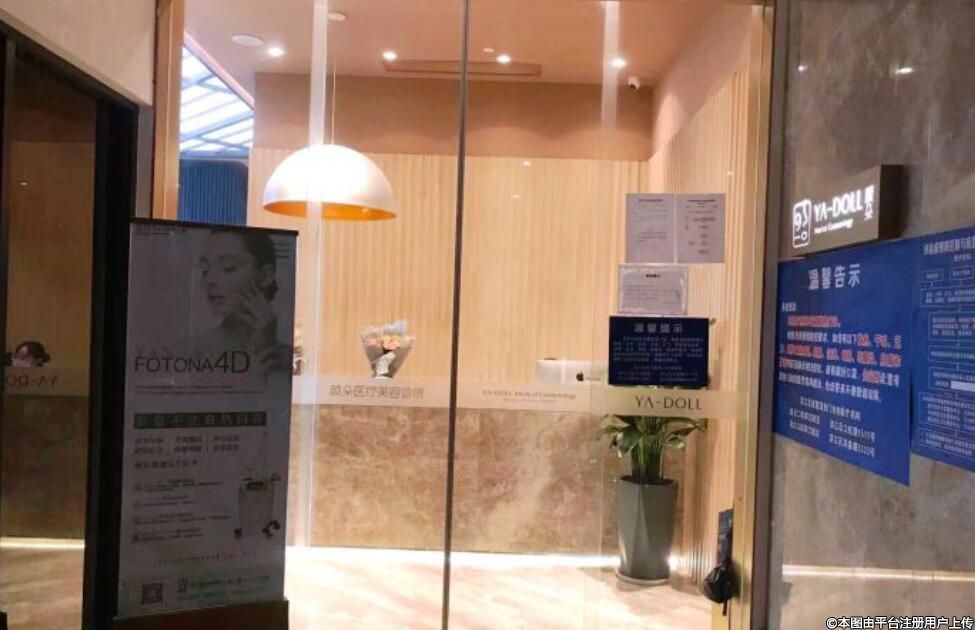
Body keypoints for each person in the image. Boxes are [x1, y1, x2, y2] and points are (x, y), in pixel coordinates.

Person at [193, 229, 290, 376]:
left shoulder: (290, 359)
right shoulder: (191, 351)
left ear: (265, 276)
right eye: (205, 269)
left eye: (228, 268)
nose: (209, 281)